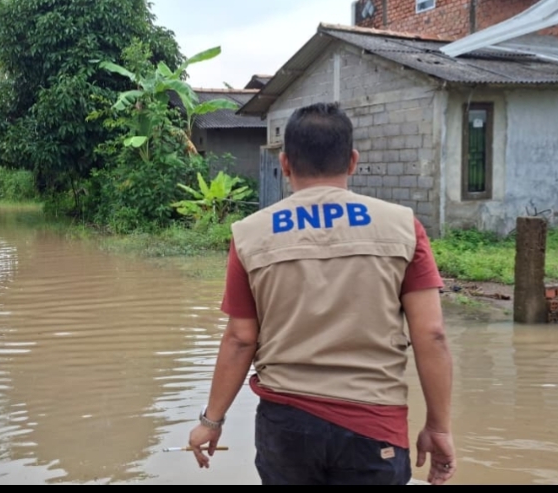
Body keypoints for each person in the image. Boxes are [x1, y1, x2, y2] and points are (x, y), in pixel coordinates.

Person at [188, 102, 455, 486]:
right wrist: (439, 427)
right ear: (352, 161)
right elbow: (431, 334)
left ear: (284, 164)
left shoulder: (250, 233)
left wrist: (211, 421)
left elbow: (240, 339)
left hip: (287, 425)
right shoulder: (402, 227)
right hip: (374, 423)